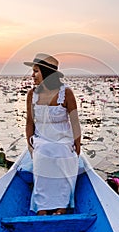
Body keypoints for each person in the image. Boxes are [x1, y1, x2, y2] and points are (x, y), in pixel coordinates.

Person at [24, 53, 81, 216]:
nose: (32, 75)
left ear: (46, 73)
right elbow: (30, 122)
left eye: (36, 71)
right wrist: (30, 143)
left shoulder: (66, 93)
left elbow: (74, 122)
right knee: (43, 153)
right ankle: (42, 205)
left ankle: (61, 205)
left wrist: (77, 144)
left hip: (63, 139)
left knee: (61, 152)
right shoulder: (31, 94)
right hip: (41, 139)